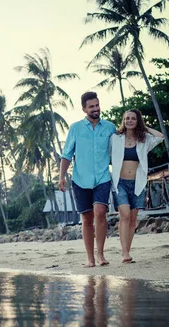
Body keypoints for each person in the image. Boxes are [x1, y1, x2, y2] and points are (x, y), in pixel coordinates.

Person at [60, 92, 115, 268]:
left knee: (100, 212)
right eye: (91, 106)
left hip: (102, 177)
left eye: (97, 105)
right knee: (86, 218)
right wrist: (61, 176)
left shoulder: (110, 128)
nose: (95, 109)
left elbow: (119, 150)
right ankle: (89, 258)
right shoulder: (75, 128)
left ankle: (100, 255)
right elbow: (67, 154)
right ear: (84, 109)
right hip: (80, 179)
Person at [110, 109, 164, 263]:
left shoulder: (144, 139)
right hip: (119, 182)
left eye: (133, 118)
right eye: (127, 118)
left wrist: (144, 127)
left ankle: (127, 250)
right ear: (123, 120)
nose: (129, 121)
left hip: (138, 183)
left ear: (137, 120)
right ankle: (124, 253)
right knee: (125, 215)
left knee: (133, 219)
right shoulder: (115, 138)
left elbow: (161, 137)